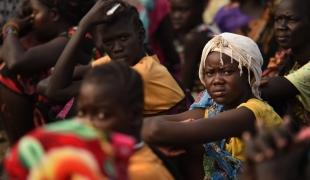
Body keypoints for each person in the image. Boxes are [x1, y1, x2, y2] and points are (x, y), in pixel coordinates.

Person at [142, 32, 283, 179]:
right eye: (210, 73)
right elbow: (148, 125)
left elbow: (155, 129)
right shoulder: (216, 108)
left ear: (250, 75)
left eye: (227, 71)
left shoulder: (251, 113)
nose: (217, 81)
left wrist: (169, 135)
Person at [5, 61, 177, 180]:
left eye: (101, 115)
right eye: (82, 113)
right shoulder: (96, 155)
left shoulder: (141, 171)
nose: (86, 123)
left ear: (134, 115)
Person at [42, 0, 192, 117]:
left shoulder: (143, 72)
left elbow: (54, 91)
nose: (117, 48)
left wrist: (83, 26)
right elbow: (49, 85)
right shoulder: (120, 61)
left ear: (140, 34)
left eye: (124, 38)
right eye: (109, 42)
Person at [0, 0, 95, 144]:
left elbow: (16, 62)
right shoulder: (57, 37)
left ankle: (21, 148)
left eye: (35, 13)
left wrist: (11, 28)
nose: (30, 20)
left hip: (69, 118)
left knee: (9, 75)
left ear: (54, 15)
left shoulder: (73, 37)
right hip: (57, 113)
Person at [260, 0, 310, 128]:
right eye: (278, 19)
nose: (281, 26)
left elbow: (265, 88)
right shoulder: (284, 59)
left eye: (291, 19)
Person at [170, 0, 216, 93]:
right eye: (173, 10)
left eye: (183, 10)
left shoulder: (193, 39)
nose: (176, 16)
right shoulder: (209, 29)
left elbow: (185, 86)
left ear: (199, 9)